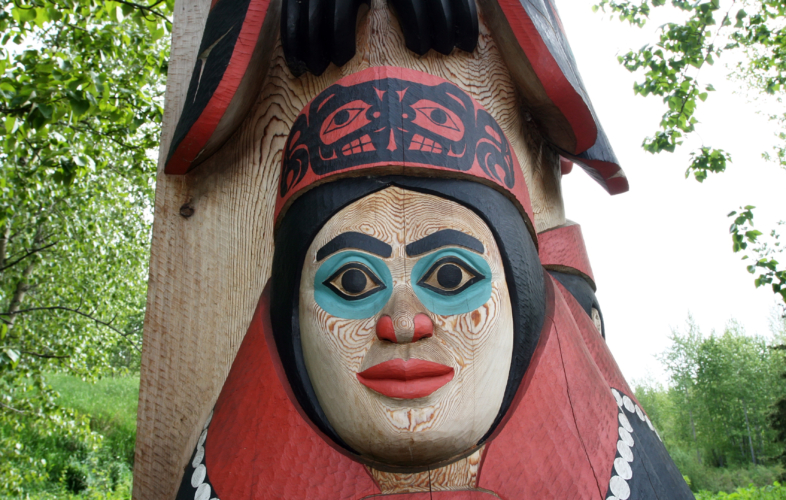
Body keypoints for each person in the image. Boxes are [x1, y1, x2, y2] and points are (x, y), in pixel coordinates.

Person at [175, 67, 693, 500]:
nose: (403, 322)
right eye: (353, 281)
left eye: (450, 276)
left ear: (525, 300)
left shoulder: (611, 464)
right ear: (287, 321)